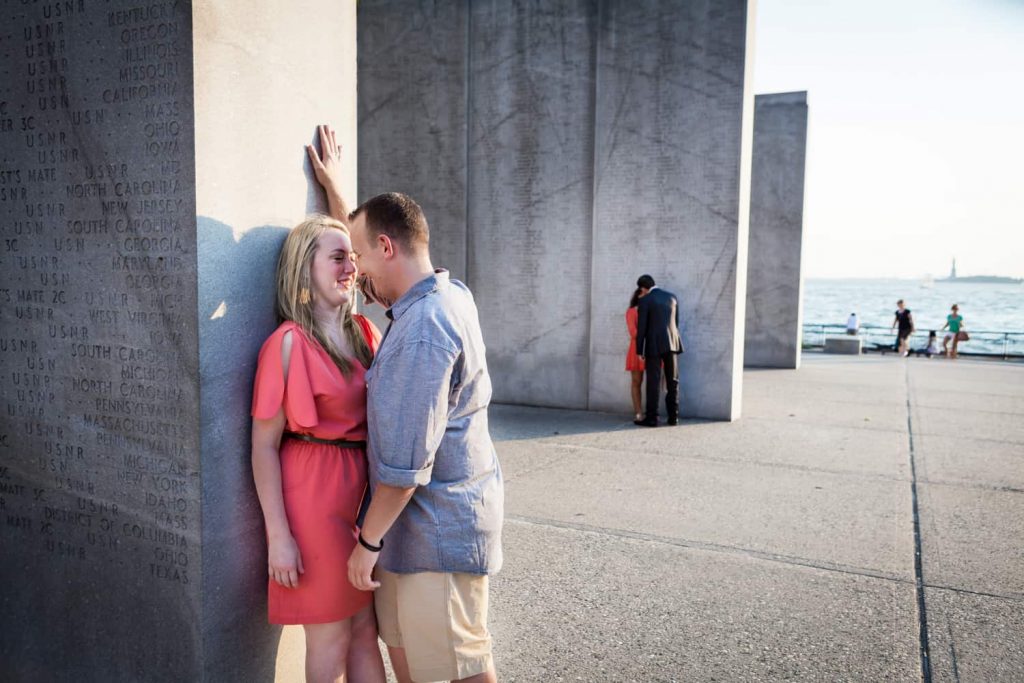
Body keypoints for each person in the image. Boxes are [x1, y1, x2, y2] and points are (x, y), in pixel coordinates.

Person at [309, 130, 503, 683]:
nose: (354, 271)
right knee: (418, 668)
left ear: (387, 248)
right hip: (415, 539)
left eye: (358, 256)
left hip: (434, 538)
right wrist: (337, 193)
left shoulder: (423, 330)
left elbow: (405, 468)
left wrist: (366, 544)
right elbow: (373, 241)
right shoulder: (445, 292)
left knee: (460, 672)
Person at [250, 211, 387, 683]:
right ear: (305, 267)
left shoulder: (365, 333)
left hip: (362, 497)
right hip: (312, 497)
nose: (350, 267)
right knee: (331, 635)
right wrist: (278, 537)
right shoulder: (287, 344)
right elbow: (263, 447)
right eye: (337, 258)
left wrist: (333, 190)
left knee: (366, 629)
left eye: (352, 257)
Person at [634, 274, 683, 427]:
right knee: (672, 381)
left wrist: (639, 350)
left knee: (653, 382)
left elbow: (642, 328)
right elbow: (676, 323)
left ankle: (652, 418)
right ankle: (673, 417)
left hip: (654, 345)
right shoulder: (672, 297)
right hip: (672, 343)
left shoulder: (645, 300)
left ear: (643, 288)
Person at [625, 287, 647, 421]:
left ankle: (652, 412)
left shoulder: (653, 311)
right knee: (636, 381)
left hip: (652, 349)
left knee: (653, 383)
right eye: (644, 294)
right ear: (638, 296)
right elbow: (633, 332)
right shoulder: (632, 311)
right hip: (636, 350)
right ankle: (638, 412)